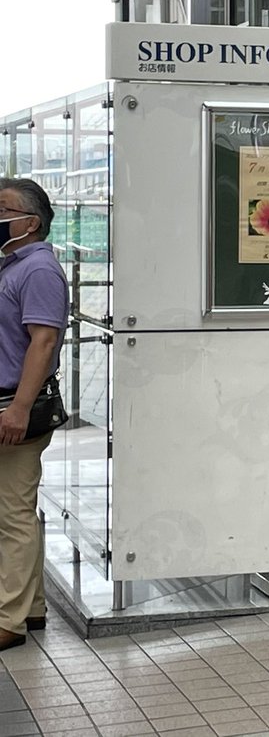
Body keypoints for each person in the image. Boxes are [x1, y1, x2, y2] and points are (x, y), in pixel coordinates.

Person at [0, 178, 69, 651]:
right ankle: (32, 606)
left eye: (3, 210)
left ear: (31, 221)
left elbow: (43, 342)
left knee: (12, 514)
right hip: (9, 403)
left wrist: (20, 408)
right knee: (15, 509)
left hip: (14, 406)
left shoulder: (39, 269)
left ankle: (9, 619)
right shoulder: (14, 265)